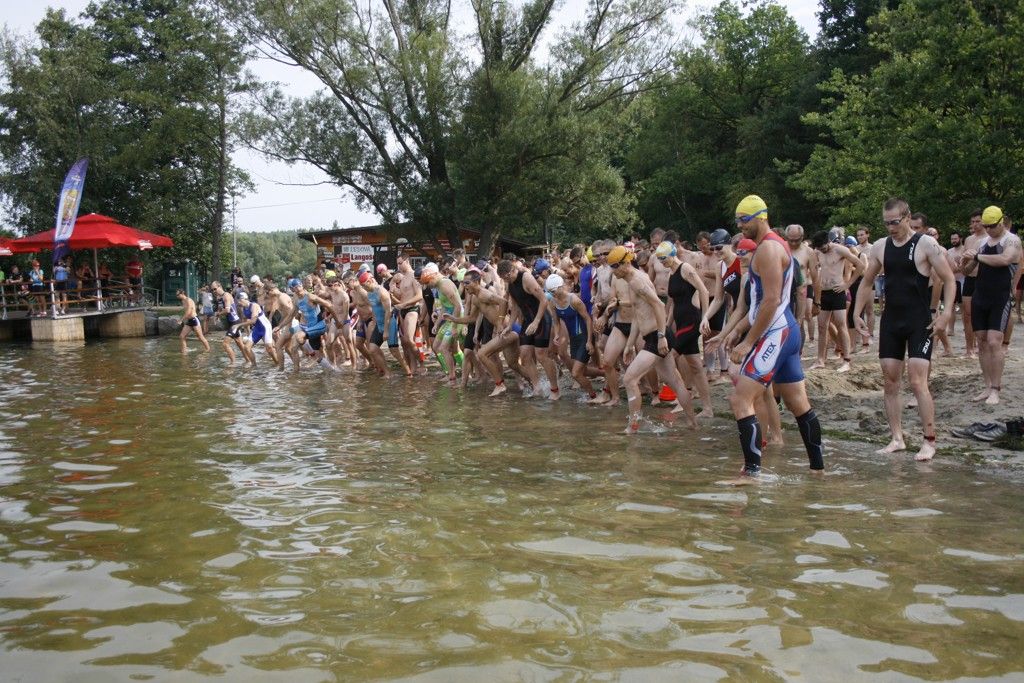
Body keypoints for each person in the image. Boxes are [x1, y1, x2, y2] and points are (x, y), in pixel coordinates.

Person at [723, 195, 824, 485]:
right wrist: (736, 332)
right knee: (798, 404)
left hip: (776, 333)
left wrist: (746, 342)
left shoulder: (767, 249)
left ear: (761, 217)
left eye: (744, 220)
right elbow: (760, 305)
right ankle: (818, 469)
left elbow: (770, 301)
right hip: (787, 331)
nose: (740, 226)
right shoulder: (775, 246)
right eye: (737, 221)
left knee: (740, 399)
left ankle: (752, 473)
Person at [853, 198, 955, 462]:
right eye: (886, 223)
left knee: (918, 380)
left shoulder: (926, 244)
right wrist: (856, 313)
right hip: (891, 321)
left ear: (907, 217)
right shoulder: (880, 247)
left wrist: (945, 314)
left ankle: (929, 440)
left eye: (895, 222)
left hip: (919, 321)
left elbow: (949, 279)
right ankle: (897, 438)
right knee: (890, 381)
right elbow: (866, 282)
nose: (890, 228)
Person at [604, 245, 697, 432]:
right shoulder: (631, 281)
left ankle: (632, 426)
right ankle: (693, 424)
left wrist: (662, 337)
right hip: (653, 336)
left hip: (657, 336)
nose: (613, 272)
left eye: (615, 267)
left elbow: (659, 306)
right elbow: (638, 315)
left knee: (630, 379)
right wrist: (629, 345)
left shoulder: (638, 280)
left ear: (625, 262)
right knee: (675, 382)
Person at [961, 206, 1020, 406]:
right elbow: (969, 270)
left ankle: (996, 388)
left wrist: (977, 256)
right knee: (982, 342)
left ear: (1001, 222)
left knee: (995, 341)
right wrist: (965, 261)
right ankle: (987, 387)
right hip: (981, 296)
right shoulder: (983, 242)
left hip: (1000, 297)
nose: (988, 230)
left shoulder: (1011, 240)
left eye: (992, 226)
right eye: (986, 226)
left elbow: (1005, 259)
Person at [655, 240, 714, 418]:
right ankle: (707, 409)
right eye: (660, 259)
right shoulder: (672, 273)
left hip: (692, 321)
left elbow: (703, 291)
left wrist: (705, 317)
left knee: (669, 358)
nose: (662, 262)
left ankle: (683, 399)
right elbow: (673, 304)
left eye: (664, 258)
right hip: (680, 322)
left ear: (673, 255)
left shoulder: (685, 268)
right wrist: (666, 325)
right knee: (695, 365)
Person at [498, 258, 560, 398]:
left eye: (508, 277)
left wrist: (536, 322)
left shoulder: (526, 278)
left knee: (541, 355)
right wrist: (509, 326)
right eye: (504, 279)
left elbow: (544, 299)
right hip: (528, 320)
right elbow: (514, 306)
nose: (507, 280)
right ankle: (537, 388)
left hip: (542, 318)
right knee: (525, 355)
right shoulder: (510, 284)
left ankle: (555, 390)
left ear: (512, 271)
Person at [810, 228, 863, 372]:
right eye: (820, 248)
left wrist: (848, 284)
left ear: (828, 242)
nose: (823, 250)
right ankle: (821, 359)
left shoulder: (840, 250)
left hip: (838, 291)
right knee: (822, 326)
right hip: (824, 292)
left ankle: (847, 360)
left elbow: (860, 265)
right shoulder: (817, 252)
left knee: (841, 324)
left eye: (824, 247)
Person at [544, 274, 598, 399]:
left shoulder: (574, 300)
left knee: (576, 373)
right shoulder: (553, 303)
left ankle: (593, 396)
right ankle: (608, 374)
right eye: (550, 292)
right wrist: (557, 334)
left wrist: (590, 341)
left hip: (584, 336)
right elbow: (556, 321)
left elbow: (587, 320)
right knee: (583, 371)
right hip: (574, 339)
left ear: (561, 287)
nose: (553, 294)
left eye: (554, 291)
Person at [421, 262, 463, 384]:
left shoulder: (445, 285)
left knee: (445, 348)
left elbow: (458, 306)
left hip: (457, 318)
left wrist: (455, 326)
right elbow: (445, 307)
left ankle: (453, 377)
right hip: (448, 319)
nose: (428, 286)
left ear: (433, 276)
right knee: (436, 346)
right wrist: (437, 323)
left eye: (428, 282)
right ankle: (451, 373)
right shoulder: (439, 286)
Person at [785, 225, 819, 346]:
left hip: (800, 292)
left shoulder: (808, 252)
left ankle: (797, 354)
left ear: (802, 237)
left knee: (799, 323)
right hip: (783, 293)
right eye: (790, 240)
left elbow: (816, 278)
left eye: (797, 240)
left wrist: (817, 301)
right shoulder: (781, 248)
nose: (793, 243)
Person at [960, 210, 985, 358]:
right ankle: (969, 348)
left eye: (978, 221)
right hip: (969, 279)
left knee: (981, 314)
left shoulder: (989, 238)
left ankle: (982, 346)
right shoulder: (969, 239)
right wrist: (962, 263)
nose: (975, 224)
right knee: (967, 315)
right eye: (973, 222)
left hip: (984, 279)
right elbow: (964, 262)